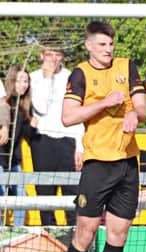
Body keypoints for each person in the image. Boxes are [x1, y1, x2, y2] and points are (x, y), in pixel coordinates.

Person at [57, 21, 146, 252]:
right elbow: (68, 117)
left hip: (127, 165)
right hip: (97, 165)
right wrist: (103, 104)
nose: (109, 49)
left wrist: (135, 114)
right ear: (89, 46)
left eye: (111, 44)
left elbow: (141, 105)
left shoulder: (126, 66)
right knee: (85, 234)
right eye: (102, 44)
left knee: (119, 237)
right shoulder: (80, 74)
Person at [30, 47, 84, 226]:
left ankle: (73, 234)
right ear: (41, 55)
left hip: (67, 139)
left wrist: (80, 146)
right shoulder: (34, 78)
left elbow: (78, 114)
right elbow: (40, 108)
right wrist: (47, 77)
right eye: (49, 54)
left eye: (58, 54)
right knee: (45, 191)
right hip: (42, 140)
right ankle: (48, 231)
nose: (54, 59)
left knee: (72, 190)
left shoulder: (72, 77)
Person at [0, 64, 38, 226]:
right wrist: (4, 126)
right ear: (12, 81)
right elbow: (3, 109)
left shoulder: (25, 107)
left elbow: (28, 137)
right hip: (0, 159)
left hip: (14, 160)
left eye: (26, 81)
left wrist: (32, 126)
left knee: (21, 197)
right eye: (20, 80)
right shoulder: (4, 102)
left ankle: (18, 229)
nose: (23, 84)